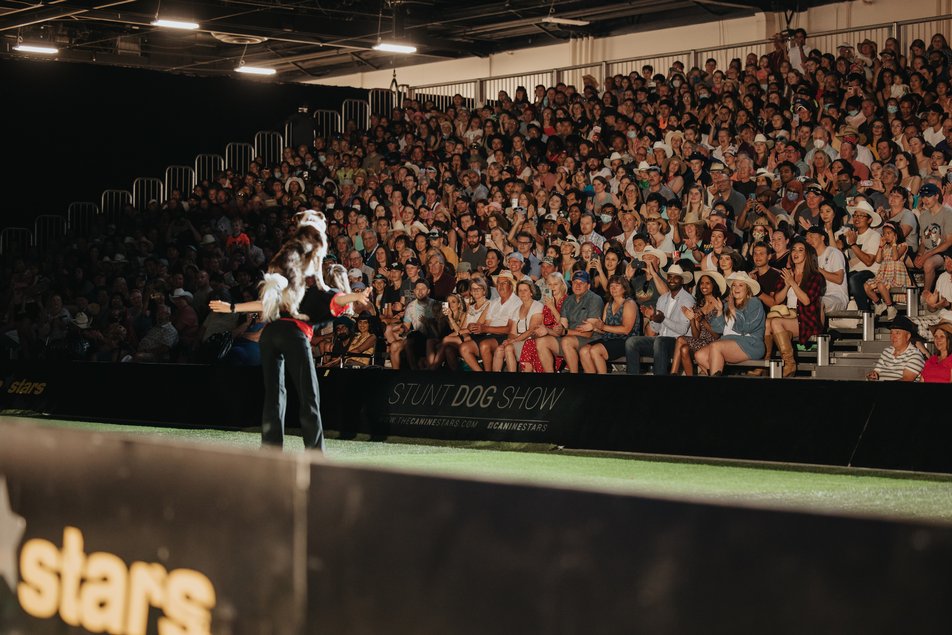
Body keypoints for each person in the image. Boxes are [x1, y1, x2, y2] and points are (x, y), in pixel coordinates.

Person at [762, 240, 825, 377]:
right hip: (788, 316)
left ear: (807, 255)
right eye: (794, 250)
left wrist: (793, 283)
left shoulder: (815, 276)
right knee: (767, 323)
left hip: (806, 318)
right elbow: (776, 301)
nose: (795, 253)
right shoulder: (787, 274)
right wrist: (787, 285)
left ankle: (789, 363)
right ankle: (764, 363)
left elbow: (806, 300)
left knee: (775, 322)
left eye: (800, 250)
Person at [624, 264, 695, 375]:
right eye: (669, 277)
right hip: (661, 341)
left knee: (660, 341)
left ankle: (659, 382)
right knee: (631, 342)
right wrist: (652, 318)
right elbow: (656, 329)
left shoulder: (687, 300)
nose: (671, 280)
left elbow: (682, 330)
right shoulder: (662, 298)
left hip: (677, 343)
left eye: (675, 277)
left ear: (682, 280)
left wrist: (662, 319)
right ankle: (633, 380)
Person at [695, 271, 766, 376]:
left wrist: (733, 310)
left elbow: (746, 328)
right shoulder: (728, 304)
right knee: (699, 355)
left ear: (747, 289)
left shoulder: (754, 302)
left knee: (716, 346)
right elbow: (718, 330)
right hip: (728, 341)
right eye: (734, 285)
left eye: (740, 285)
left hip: (750, 343)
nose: (736, 288)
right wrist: (719, 311)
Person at [459, 271, 520, 371]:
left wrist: (484, 328)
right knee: (464, 348)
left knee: (484, 345)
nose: (500, 286)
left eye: (504, 283)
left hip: (504, 335)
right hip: (489, 334)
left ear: (511, 285)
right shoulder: (494, 302)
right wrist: (474, 327)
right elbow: (486, 323)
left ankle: (488, 375)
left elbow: (509, 329)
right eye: (498, 283)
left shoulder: (516, 302)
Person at [578, 275, 639, 374]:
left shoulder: (629, 304)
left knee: (595, 350)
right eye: (611, 286)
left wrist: (602, 326)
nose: (613, 288)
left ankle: (603, 385)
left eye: (617, 285)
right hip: (609, 339)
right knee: (583, 351)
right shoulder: (608, 304)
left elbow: (626, 330)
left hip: (626, 341)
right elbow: (603, 329)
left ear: (624, 288)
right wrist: (593, 327)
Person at [671, 271, 726, 376]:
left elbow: (717, 335)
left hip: (715, 344)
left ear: (713, 285)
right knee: (684, 349)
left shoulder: (720, 305)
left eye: (707, 283)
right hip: (701, 343)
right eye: (701, 283)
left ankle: (673, 374)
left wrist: (703, 321)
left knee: (680, 339)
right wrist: (692, 319)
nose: (703, 286)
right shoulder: (698, 305)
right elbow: (696, 335)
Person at [520, 272, 568, 372]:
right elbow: (543, 322)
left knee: (535, 343)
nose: (552, 287)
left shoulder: (567, 300)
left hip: (560, 335)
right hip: (546, 333)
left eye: (555, 284)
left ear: (562, 285)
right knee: (529, 342)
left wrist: (552, 307)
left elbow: (562, 326)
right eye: (550, 284)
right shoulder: (547, 301)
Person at [865, 221, 912, 320]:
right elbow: (878, 260)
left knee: (881, 285)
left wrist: (894, 244)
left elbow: (895, 257)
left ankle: (890, 307)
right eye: (884, 233)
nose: (886, 236)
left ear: (895, 234)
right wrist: (880, 246)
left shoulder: (902, 245)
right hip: (884, 274)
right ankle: (878, 303)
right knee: (866, 286)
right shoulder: (885, 247)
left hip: (896, 275)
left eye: (889, 233)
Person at [494, 280, 544, 371]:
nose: (522, 293)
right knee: (499, 349)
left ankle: (513, 381)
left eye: (525, 290)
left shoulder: (538, 306)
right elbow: (512, 332)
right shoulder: (517, 309)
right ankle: (494, 381)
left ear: (531, 292)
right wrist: (509, 339)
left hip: (532, 342)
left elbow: (531, 330)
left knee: (509, 348)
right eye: (520, 291)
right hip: (518, 341)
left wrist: (513, 341)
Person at [866, 316, 926, 381]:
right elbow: (876, 373)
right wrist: (872, 375)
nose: (893, 336)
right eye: (891, 333)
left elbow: (906, 380)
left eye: (897, 333)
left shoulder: (915, 355)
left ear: (908, 336)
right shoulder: (887, 351)